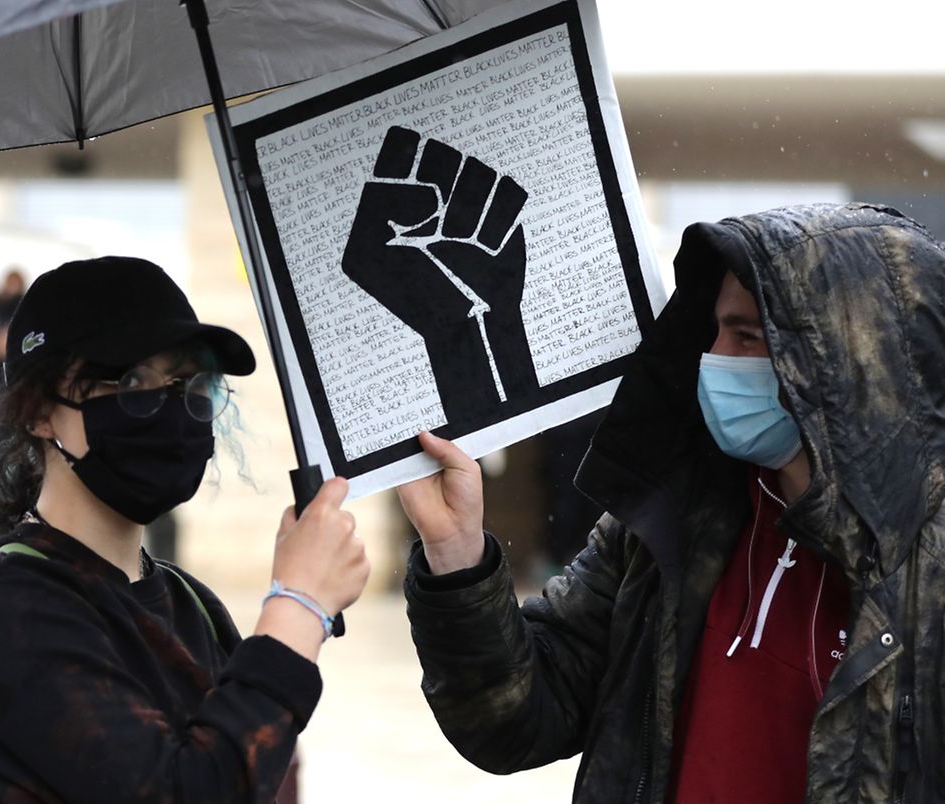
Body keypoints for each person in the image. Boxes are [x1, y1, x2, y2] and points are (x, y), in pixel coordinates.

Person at [397, 203, 945, 802]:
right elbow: (514, 719)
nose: (715, 359)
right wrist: (456, 555)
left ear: (846, 362)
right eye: (715, 331)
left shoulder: (928, 569)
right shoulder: (671, 519)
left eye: (749, 338)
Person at [0, 256, 370, 802]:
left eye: (188, 382)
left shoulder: (188, 602)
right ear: (37, 411)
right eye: (131, 380)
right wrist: (297, 607)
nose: (169, 406)